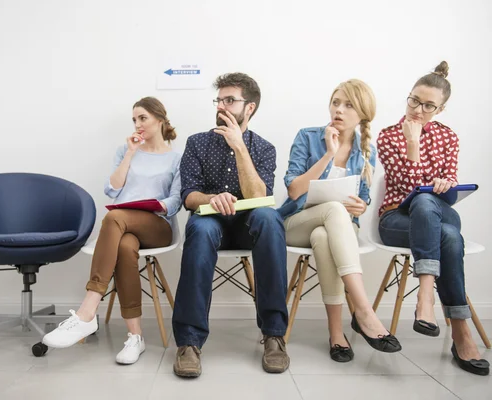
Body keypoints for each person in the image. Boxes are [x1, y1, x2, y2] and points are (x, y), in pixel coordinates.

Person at [43, 97, 182, 365]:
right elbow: (113, 189)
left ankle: (86, 311)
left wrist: (155, 205)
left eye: (143, 118)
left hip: (158, 226)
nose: (137, 124)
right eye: (134, 120)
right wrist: (131, 153)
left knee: (114, 217)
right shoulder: (124, 150)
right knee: (125, 246)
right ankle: (135, 337)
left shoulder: (177, 157)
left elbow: (176, 200)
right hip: (124, 226)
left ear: (160, 119)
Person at [172, 72, 289, 378]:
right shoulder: (196, 143)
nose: (221, 105)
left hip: (251, 226)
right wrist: (213, 198)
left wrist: (239, 147)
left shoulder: (264, 148)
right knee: (200, 226)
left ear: (249, 108)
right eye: (219, 99)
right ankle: (188, 342)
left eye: (229, 100)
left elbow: (259, 196)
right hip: (211, 223)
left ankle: (274, 335)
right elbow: (189, 197)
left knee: (269, 216)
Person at [377, 61, 489, 376]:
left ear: (440, 109)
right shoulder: (388, 136)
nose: (418, 109)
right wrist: (412, 142)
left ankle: (426, 296)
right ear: (408, 97)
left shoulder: (449, 137)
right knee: (447, 232)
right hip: (396, 219)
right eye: (414, 100)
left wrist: (445, 185)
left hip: (437, 214)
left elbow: (449, 183)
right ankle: (460, 333)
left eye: (428, 105)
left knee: (430, 203)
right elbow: (405, 188)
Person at [279, 79, 401, 362]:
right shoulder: (307, 136)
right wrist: (329, 154)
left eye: (348, 105)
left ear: (362, 114)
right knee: (334, 209)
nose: (339, 110)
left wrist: (361, 206)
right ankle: (364, 310)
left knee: (324, 235)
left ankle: (336, 333)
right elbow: (294, 190)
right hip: (297, 223)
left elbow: (364, 197)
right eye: (336, 102)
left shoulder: (366, 150)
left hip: (336, 230)